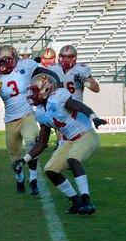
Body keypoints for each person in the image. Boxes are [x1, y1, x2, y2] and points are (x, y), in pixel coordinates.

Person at [15, 73, 106, 215]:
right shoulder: (39, 112)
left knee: (72, 159)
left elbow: (80, 106)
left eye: (35, 90)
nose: (33, 94)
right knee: (51, 169)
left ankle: (87, 201)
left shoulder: (59, 97)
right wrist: (23, 160)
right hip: (71, 140)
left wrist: (94, 117)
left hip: (86, 135)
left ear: (46, 88)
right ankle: (76, 201)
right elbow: (42, 142)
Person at [0, 44, 47, 195]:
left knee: (31, 141)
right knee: (14, 154)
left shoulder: (26, 66)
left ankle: (33, 179)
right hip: (10, 119)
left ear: (13, 59)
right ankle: (20, 179)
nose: (2, 65)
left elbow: (46, 74)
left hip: (27, 114)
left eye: (5, 61)